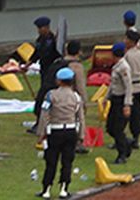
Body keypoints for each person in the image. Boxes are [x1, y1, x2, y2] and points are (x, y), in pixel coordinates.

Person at [35, 66, 84, 200]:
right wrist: (81, 135)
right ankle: (64, 189)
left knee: (51, 161)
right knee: (67, 161)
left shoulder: (51, 95)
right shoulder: (76, 96)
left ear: (59, 81)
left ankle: (46, 189)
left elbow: (44, 115)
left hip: (54, 131)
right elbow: (80, 117)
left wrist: (41, 133)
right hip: (70, 130)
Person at [26, 16, 60, 131]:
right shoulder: (40, 40)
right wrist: (28, 64)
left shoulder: (53, 41)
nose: (39, 30)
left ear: (46, 27)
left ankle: (44, 122)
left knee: (43, 97)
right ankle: (39, 121)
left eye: (40, 28)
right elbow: (37, 54)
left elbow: (57, 55)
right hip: (44, 71)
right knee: (41, 97)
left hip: (52, 72)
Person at [106, 41, 133, 163]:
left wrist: (127, 105)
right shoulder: (116, 66)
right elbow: (112, 84)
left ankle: (122, 154)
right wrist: (106, 97)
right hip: (115, 99)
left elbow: (128, 87)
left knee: (117, 129)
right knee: (110, 128)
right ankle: (126, 142)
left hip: (122, 100)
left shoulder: (124, 67)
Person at [123, 30, 140, 148]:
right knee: (136, 113)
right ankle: (136, 138)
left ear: (131, 41)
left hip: (130, 86)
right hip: (139, 86)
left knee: (125, 114)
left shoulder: (127, 55)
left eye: (126, 39)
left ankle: (123, 137)